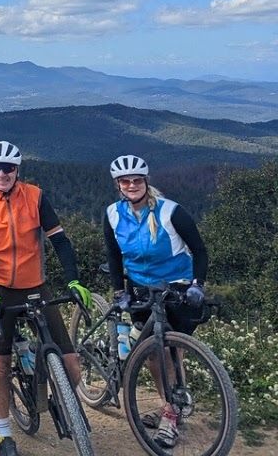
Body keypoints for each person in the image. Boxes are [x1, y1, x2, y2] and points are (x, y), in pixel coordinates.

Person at [0, 141, 91, 456]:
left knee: (70, 360)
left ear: (17, 170)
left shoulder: (35, 196)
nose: (2, 173)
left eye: (8, 167)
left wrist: (74, 279)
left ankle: (61, 398)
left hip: (36, 284)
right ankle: (4, 434)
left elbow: (60, 241)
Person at [104, 154, 209, 450]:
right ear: (118, 185)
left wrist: (197, 285)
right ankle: (171, 408)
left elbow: (199, 250)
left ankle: (173, 406)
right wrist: (118, 291)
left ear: (146, 181)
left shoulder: (170, 212)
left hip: (177, 289)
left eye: (137, 180)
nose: (132, 184)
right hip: (141, 290)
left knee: (174, 351)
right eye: (126, 181)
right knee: (154, 353)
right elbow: (113, 255)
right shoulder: (113, 213)